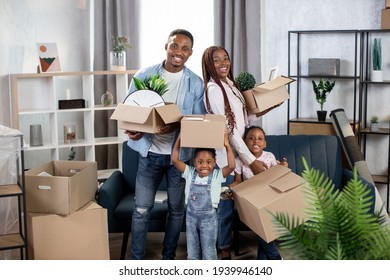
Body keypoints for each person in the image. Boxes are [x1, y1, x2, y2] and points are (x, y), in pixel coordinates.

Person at [124, 29, 206, 260]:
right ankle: (136, 262)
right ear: (166, 46)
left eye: (184, 48)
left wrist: (177, 127)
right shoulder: (145, 75)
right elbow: (129, 110)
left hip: (178, 158)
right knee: (141, 210)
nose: (178, 52)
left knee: (177, 210)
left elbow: (198, 120)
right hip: (149, 153)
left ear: (190, 53)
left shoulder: (196, 83)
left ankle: (167, 259)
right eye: (174, 46)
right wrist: (134, 131)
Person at [201, 46, 281, 259]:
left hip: (240, 157)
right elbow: (230, 131)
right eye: (216, 60)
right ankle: (224, 249)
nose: (223, 63)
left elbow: (243, 122)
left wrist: (267, 107)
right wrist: (250, 160)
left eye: (225, 58)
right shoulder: (214, 89)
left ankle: (265, 250)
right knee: (225, 208)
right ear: (209, 64)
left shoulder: (231, 85)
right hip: (225, 159)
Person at [171, 133, 235, 259]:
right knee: (192, 251)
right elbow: (174, 160)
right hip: (191, 219)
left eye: (209, 162)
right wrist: (179, 139)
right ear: (194, 162)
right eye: (200, 162)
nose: (204, 165)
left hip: (209, 220)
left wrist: (227, 145)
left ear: (215, 162)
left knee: (209, 252)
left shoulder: (217, 175)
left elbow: (232, 166)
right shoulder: (189, 172)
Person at [229, 126, 287, 260]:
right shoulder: (239, 160)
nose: (256, 141)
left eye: (260, 139)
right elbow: (238, 181)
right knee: (263, 229)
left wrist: (283, 168)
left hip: (268, 198)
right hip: (250, 200)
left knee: (263, 230)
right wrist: (231, 187)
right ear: (244, 142)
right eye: (251, 138)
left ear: (265, 143)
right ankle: (275, 258)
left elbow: (277, 176)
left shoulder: (270, 157)